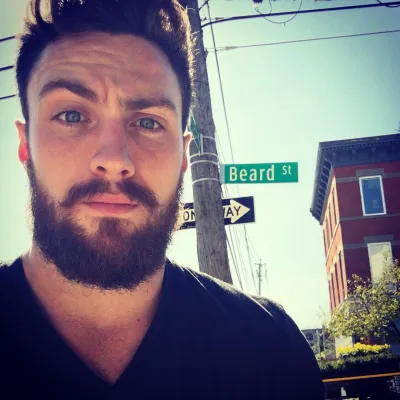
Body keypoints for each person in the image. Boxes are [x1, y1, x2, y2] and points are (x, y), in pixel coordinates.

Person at [0, 0, 326, 398]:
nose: (114, 160)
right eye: (71, 115)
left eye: (149, 122)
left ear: (184, 157)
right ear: (25, 146)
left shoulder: (271, 350)